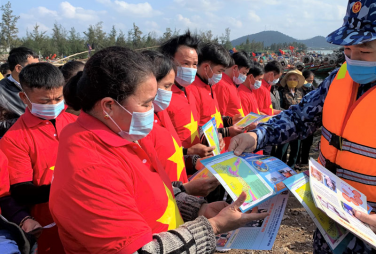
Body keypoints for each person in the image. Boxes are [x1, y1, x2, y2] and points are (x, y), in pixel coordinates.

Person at [229, 0, 376, 253]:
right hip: (329, 226)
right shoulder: (339, 78)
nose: (352, 58)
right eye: (347, 49)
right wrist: (258, 136)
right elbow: (300, 116)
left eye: (363, 50)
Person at [50, 46, 268, 254]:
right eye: (146, 104)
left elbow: (143, 195)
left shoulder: (124, 133)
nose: (152, 111)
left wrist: (194, 207)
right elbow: (138, 250)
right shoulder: (90, 167)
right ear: (109, 106)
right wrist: (213, 227)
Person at [0, 62, 77, 253]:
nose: (53, 105)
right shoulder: (15, 138)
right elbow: (20, 190)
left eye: (58, 98)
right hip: (49, 223)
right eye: (44, 101)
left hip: (86, 216)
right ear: (24, 98)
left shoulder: (76, 123)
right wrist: (68, 190)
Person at [142, 50, 219, 196]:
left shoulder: (160, 112)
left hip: (179, 194)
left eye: (194, 64)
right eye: (166, 86)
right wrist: (184, 190)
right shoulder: (139, 126)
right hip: (170, 200)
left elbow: (169, 153)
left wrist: (193, 161)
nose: (169, 92)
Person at [159, 31, 215, 159]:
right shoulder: (162, 97)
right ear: (169, 61)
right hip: (176, 167)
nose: (191, 69)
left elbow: (195, 125)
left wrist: (210, 139)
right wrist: (187, 152)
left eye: (194, 64)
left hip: (194, 166)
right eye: (185, 63)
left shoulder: (189, 90)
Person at [186, 43, 244, 141]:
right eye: (219, 71)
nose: (221, 75)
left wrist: (230, 120)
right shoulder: (192, 89)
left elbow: (212, 116)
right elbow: (196, 129)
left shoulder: (209, 85)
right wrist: (227, 131)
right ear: (206, 68)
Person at [0, 47, 39, 138]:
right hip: (15, 141)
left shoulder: (42, 85)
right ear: (18, 68)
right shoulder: (1, 91)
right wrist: (26, 121)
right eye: (34, 67)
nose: (38, 71)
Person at [277, 69, 305, 168]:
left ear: (297, 81)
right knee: (282, 148)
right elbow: (278, 108)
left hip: (298, 125)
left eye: (294, 79)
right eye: (290, 79)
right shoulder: (281, 92)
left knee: (295, 149)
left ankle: (291, 168)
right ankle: (279, 167)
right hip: (285, 125)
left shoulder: (300, 92)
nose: (292, 81)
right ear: (286, 80)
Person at [213, 51, 252, 118]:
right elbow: (220, 116)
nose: (245, 76)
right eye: (244, 73)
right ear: (234, 68)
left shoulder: (232, 84)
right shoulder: (222, 85)